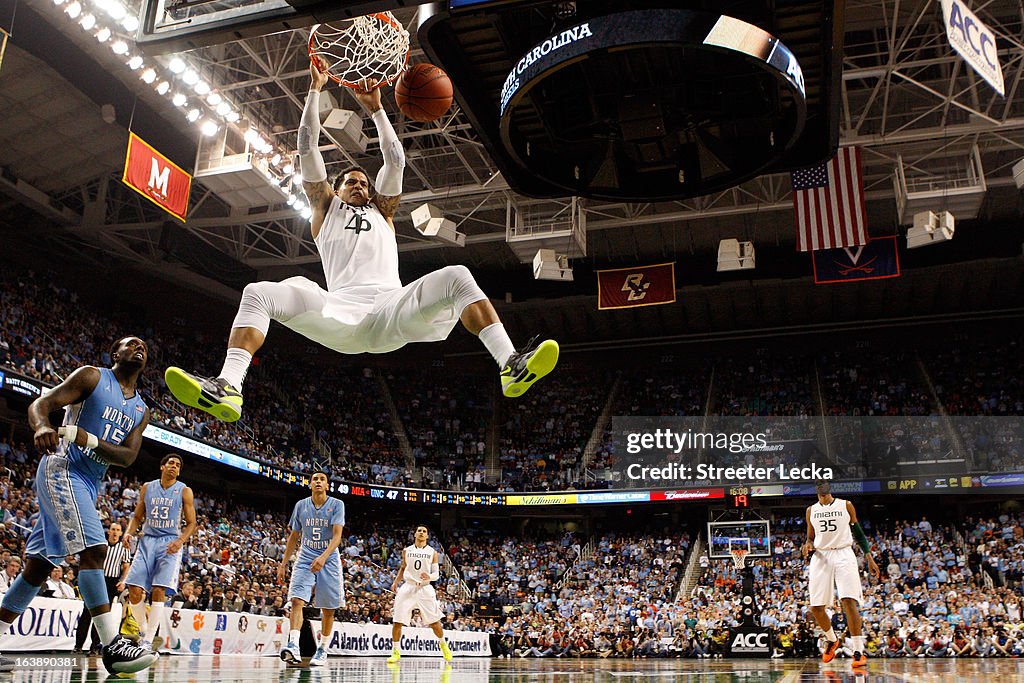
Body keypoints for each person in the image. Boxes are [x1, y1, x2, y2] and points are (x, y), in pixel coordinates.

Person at [164, 61, 558, 424]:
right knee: (257, 292)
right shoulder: (324, 208)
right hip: (339, 310)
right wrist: (315, 91)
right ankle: (229, 386)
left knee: (458, 274)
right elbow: (305, 147)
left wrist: (376, 108)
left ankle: (510, 363)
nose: (359, 185)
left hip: (390, 307)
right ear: (334, 190)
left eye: (364, 183)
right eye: (351, 181)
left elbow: (396, 161)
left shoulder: (382, 212)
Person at [0, 337, 159, 674]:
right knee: (95, 550)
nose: (140, 348)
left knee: (39, 566)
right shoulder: (92, 377)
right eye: (132, 344)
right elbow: (41, 405)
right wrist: (43, 425)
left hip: (88, 482)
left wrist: (86, 438)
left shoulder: (142, 410)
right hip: (62, 469)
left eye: (144, 346)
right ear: (116, 353)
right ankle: (111, 645)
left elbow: (128, 457)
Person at [802, 479, 880, 669]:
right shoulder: (811, 510)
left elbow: (859, 533)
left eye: (825, 490)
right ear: (816, 492)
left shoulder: (845, 505)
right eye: (819, 490)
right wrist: (808, 545)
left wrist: (869, 557)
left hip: (844, 552)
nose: (822, 493)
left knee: (848, 601)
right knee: (816, 607)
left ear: (829, 490)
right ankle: (832, 639)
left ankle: (858, 651)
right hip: (821, 554)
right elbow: (810, 537)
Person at [123, 453, 197, 651]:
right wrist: (129, 532)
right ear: (162, 467)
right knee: (134, 589)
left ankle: (148, 639)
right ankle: (143, 629)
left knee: (158, 590)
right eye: (171, 463)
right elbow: (137, 516)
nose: (174, 466)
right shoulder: (147, 487)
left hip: (169, 543)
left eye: (178, 465)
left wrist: (180, 541)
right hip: (147, 541)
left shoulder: (184, 491)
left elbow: (192, 523)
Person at [277, 468, 345, 667]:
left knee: (328, 609)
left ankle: (322, 648)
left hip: (329, 558)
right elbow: (294, 536)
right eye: (314, 479)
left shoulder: (337, 504)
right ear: (310, 484)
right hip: (305, 556)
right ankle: (293, 645)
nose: (318, 481)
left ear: (327, 485)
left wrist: (323, 557)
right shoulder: (301, 505)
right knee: (297, 600)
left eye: (322, 479)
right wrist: (283, 563)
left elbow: (337, 536)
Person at [387, 525, 452, 663]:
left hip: (425, 588)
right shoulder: (407, 550)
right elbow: (403, 567)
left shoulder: (432, 552)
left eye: (424, 531)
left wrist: (428, 576)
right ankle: (396, 652)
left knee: (435, 622)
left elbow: (436, 575)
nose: (421, 533)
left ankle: (443, 645)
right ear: (415, 534)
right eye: (419, 531)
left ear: (427, 536)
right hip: (408, 587)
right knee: (397, 621)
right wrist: (395, 582)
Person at [75, 522, 132, 654]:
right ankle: (78, 646)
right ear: (108, 532)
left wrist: (123, 581)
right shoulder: (101, 545)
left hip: (111, 582)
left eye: (118, 530)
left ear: (121, 533)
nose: (115, 532)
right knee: (86, 613)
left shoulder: (124, 547)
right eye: (113, 529)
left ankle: (94, 647)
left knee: (102, 615)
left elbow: (126, 566)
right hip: (97, 578)